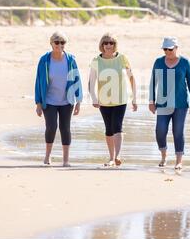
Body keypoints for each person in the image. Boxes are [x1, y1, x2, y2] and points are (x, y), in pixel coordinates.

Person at [88, 33, 137, 167]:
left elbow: (131, 77)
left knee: (117, 125)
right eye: (106, 43)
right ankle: (111, 158)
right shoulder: (96, 61)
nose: (108, 45)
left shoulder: (122, 58)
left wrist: (134, 98)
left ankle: (118, 155)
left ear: (115, 45)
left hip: (121, 100)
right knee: (108, 129)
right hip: (104, 101)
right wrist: (94, 98)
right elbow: (91, 81)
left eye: (111, 43)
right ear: (102, 45)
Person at [149, 37, 190, 170]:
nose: (167, 51)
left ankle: (179, 160)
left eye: (170, 49)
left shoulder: (185, 63)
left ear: (176, 48)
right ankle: (164, 156)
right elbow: (153, 82)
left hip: (180, 104)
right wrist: (151, 101)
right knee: (160, 130)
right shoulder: (158, 62)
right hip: (163, 104)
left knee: (178, 132)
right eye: (165, 49)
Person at [34, 31, 83, 167]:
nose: (60, 45)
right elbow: (38, 81)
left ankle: (66, 160)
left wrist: (79, 101)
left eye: (63, 42)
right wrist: (38, 103)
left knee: (65, 128)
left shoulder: (71, 60)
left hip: (67, 100)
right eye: (57, 42)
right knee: (51, 127)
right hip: (49, 100)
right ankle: (48, 156)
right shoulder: (44, 60)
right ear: (51, 43)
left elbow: (77, 80)